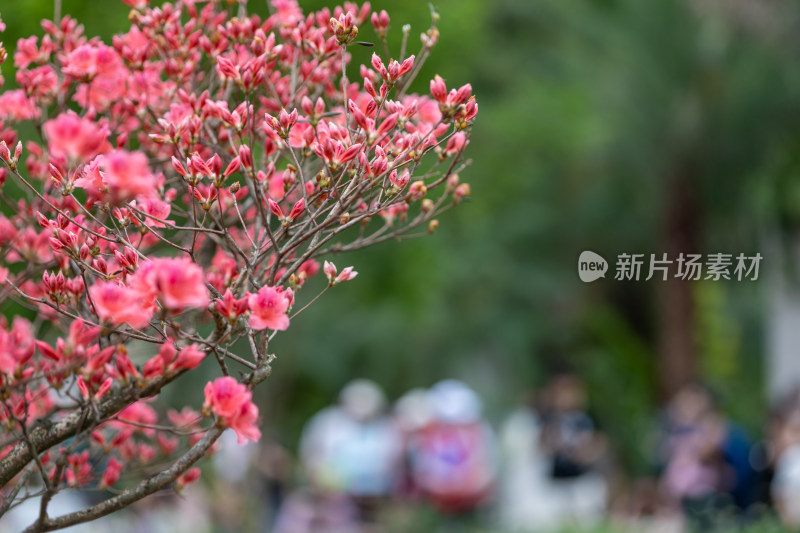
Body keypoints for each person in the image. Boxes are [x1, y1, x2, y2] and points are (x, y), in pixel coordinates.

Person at [408, 380, 498, 517]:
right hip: (440, 495)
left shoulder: (478, 430)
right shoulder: (428, 433)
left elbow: (485, 459)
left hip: (468, 494)